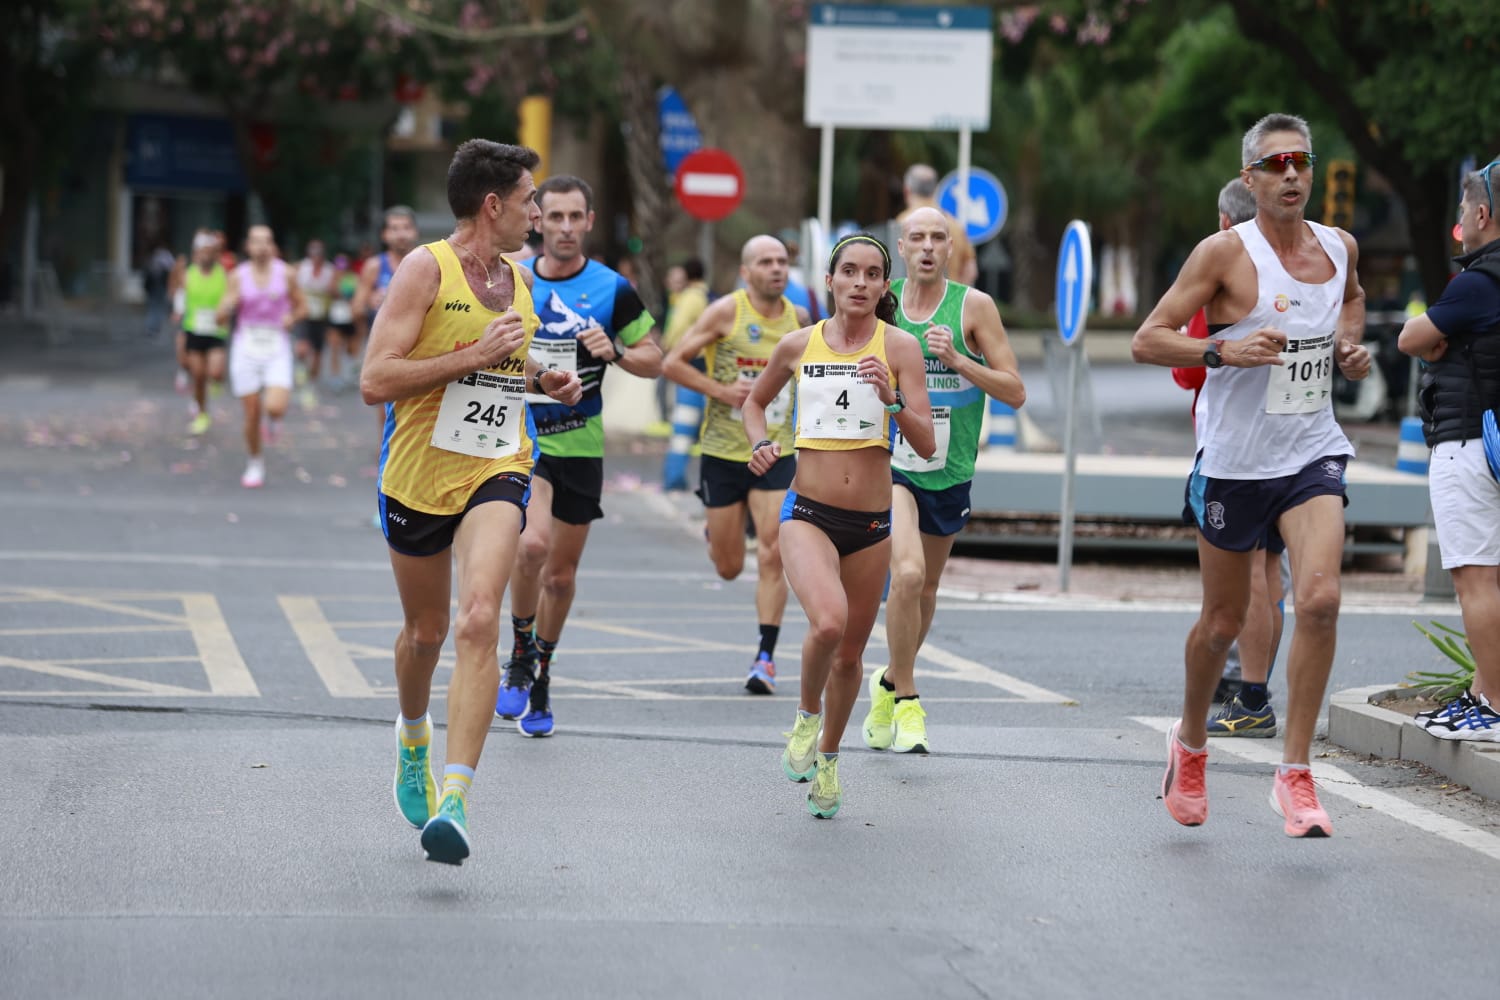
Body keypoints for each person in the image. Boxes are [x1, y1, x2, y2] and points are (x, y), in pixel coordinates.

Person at [1130, 113, 1372, 838]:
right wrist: (1221, 354)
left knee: (1321, 599)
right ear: (1251, 179)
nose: (1292, 174)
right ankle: (1192, 743)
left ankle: (1295, 774)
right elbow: (1148, 339)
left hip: (1311, 450)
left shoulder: (1339, 246)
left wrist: (1349, 347)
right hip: (1236, 463)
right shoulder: (1224, 254)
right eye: (1276, 164)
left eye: (1301, 161)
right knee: (1222, 623)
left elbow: (1350, 301)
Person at [360, 139, 582, 865]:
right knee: (424, 634)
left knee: (480, 617)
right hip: (418, 477)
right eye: (529, 205)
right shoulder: (425, 268)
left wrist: (539, 383)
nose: (539, 219)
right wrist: (476, 357)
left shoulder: (517, 281)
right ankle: (414, 735)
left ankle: (456, 796)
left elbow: (494, 380)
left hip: (499, 464)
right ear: (494, 206)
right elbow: (376, 380)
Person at [744, 232, 934, 818]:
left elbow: (925, 446)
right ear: (830, 281)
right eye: (848, 271)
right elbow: (754, 403)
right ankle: (805, 717)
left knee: (850, 657)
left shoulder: (899, 348)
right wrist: (759, 445)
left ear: (883, 286)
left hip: (873, 523)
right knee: (827, 624)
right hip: (807, 513)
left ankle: (828, 761)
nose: (859, 282)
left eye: (872, 274)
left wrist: (893, 399)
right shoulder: (797, 344)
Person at [495, 175, 663, 736]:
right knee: (532, 547)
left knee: (561, 579)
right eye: (555, 216)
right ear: (538, 220)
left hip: (581, 445)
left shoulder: (612, 288)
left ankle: (541, 673)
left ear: (590, 222)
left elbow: (653, 357)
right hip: (525, 440)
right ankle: (519, 655)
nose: (565, 228)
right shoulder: (516, 281)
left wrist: (614, 351)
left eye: (576, 217)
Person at [861, 207, 1024, 755]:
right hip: (894, 462)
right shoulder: (882, 306)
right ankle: (908, 700)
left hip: (950, 469)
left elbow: (1014, 390)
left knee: (926, 587)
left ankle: (886, 683)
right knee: (905, 575)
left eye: (939, 238)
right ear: (901, 248)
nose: (928, 247)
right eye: (917, 238)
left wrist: (958, 358)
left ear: (951, 249)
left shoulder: (973, 307)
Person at [1170, 179, 1290, 737]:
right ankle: (1254, 684)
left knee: (1248, 577)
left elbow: (1187, 368)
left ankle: (1249, 688)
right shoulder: (1300, 269)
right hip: (1294, 446)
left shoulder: (1219, 275)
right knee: (1275, 574)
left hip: (1235, 450)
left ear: (1224, 222)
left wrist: (1217, 350)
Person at [662, 236, 809, 692]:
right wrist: (723, 392)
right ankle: (719, 531)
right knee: (728, 566)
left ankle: (765, 657)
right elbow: (673, 363)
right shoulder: (727, 311)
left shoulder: (799, 320)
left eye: (782, 261)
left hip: (775, 450)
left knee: (772, 551)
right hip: (723, 452)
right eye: (765, 262)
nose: (776, 269)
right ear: (746, 272)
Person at [1397, 158, 1500, 739]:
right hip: (1493, 444)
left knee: (1476, 579)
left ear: (1482, 214)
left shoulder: (1479, 281)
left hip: (1468, 443)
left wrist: (1439, 342)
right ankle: (1485, 693)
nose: (1460, 217)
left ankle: (1494, 708)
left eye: (1464, 208)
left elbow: (1414, 335)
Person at [217, 225, 306, 489]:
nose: (262, 247)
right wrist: (227, 307)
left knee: (275, 407)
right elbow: (220, 317)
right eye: (256, 242)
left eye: (267, 241)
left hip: (276, 347)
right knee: (251, 412)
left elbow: (303, 306)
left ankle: (273, 419)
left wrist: (292, 316)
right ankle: (255, 462)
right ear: (248, 246)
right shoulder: (237, 276)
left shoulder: (286, 273)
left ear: (273, 246)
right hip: (246, 347)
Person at [172, 230, 230, 435]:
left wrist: (226, 311)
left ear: (215, 254)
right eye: (202, 251)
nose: (205, 255)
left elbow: (230, 298)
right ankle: (202, 413)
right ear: (196, 253)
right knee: (198, 375)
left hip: (216, 331)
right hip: (194, 330)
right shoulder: (188, 274)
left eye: (209, 251)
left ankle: (215, 383)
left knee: (214, 371)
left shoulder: (223, 275)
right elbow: (176, 294)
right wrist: (175, 274)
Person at [354, 206, 421, 373]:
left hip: (418, 349)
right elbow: (355, 309)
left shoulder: (429, 264)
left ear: (415, 232)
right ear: (384, 235)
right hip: (382, 349)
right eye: (394, 228)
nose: (401, 234)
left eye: (407, 227)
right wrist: (370, 301)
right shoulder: (374, 266)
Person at [890, 164, 977, 285]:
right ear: (936, 190)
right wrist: (957, 297)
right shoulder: (954, 225)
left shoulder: (902, 223)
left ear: (906, 190)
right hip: (950, 299)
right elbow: (970, 268)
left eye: (938, 237)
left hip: (909, 301)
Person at [295, 238, 337, 405]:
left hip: (321, 316)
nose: (316, 255)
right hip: (304, 315)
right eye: (313, 251)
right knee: (302, 348)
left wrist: (333, 290)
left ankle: (311, 383)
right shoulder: (301, 268)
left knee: (318, 354)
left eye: (319, 252)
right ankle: (300, 366)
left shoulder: (329, 270)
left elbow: (335, 290)